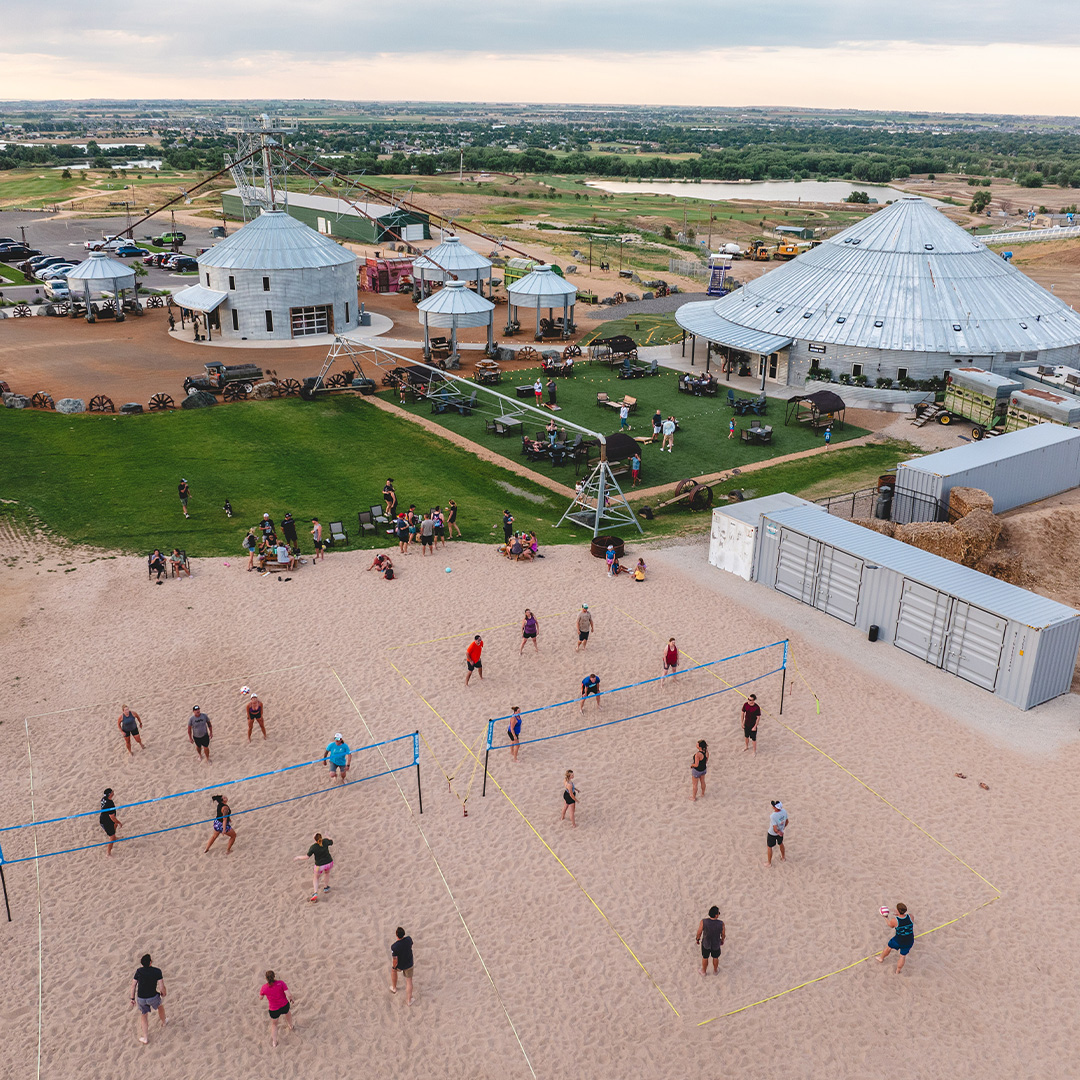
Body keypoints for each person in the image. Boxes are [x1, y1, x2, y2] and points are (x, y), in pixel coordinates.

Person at [130, 953, 167, 1044]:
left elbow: (133, 986)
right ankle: (164, 1021)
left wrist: (132, 998)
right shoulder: (157, 971)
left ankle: (145, 1037)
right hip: (153, 996)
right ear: (150, 962)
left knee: (144, 1015)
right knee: (160, 1006)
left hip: (141, 998)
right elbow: (161, 986)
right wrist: (163, 993)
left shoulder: (138, 971)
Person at [260, 970, 295, 1046]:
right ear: (274, 976)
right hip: (284, 1005)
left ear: (266, 978)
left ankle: (274, 1042)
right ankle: (290, 1026)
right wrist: (291, 999)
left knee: (274, 1024)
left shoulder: (264, 987)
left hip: (274, 1009)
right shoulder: (281, 983)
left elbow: (261, 997)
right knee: (287, 1013)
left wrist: (263, 995)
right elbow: (288, 994)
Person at [295, 832, 334, 901]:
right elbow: (331, 841)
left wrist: (298, 857)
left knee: (316, 877)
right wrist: (328, 836)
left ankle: (315, 892)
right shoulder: (325, 841)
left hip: (319, 866)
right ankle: (326, 887)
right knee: (327, 873)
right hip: (329, 863)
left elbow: (307, 857)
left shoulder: (313, 847)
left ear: (315, 839)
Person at [878, 902, 915, 973]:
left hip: (899, 940)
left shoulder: (895, 920)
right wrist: (899, 914)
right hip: (909, 940)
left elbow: (890, 925)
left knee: (888, 947)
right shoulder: (911, 916)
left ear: (898, 910)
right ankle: (898, 970)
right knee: (902, 956)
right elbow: (905, 919)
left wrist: (885, 917)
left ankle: (881, 958)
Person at [696, 906, 726, 976]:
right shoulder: (721, 923)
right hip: (716, 944)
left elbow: (699, 932)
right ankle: (715, 971)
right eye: (718, 913)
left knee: (705, 957)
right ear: (716, 915)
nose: (719, 914)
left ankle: (703, 971)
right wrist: (722, 940)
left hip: (706, 943)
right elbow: (723, 934)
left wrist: (697, 939)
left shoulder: (703, 922)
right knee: (715, 957)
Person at [390, 927, 415, 1005]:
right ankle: (409, 1000)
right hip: (409, 963)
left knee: (393, 971)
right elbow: (411, 944)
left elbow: (395, 959)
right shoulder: (408, 939)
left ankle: (394, 988)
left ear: (396, 934)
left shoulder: (395, 946)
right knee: (409, 981)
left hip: (400, 964)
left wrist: (394, 967)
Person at [100, 787, 123, 856]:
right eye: (112, 792)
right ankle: (108, 853)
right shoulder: (110, 804)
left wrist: (116, 822)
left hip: (106, 818)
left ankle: (115, 837)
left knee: (115, 824)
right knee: (111, 837)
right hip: (106, 821)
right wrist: (119, 822)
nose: (113, 792)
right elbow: (112, 817)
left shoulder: (103, 799)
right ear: (110, 794)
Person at [766, 799, 789, 866]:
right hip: (781, 831)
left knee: (769, 847)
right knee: (780, 843)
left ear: (775, 808)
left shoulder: (773, 816)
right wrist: (782, 829)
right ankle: (783, 857)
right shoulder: (784, 811)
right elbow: (787, 821)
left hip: (772, 833)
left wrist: (778, 832)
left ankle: (769, 863)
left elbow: (775, 828)